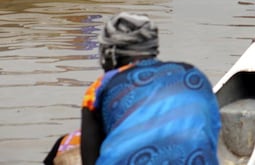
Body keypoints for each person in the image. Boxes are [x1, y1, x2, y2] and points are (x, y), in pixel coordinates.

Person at [79, 12, 220, 164]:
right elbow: (211, 135)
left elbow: (90, 159)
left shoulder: (100, 88)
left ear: (110, 52)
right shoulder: (193, 75)